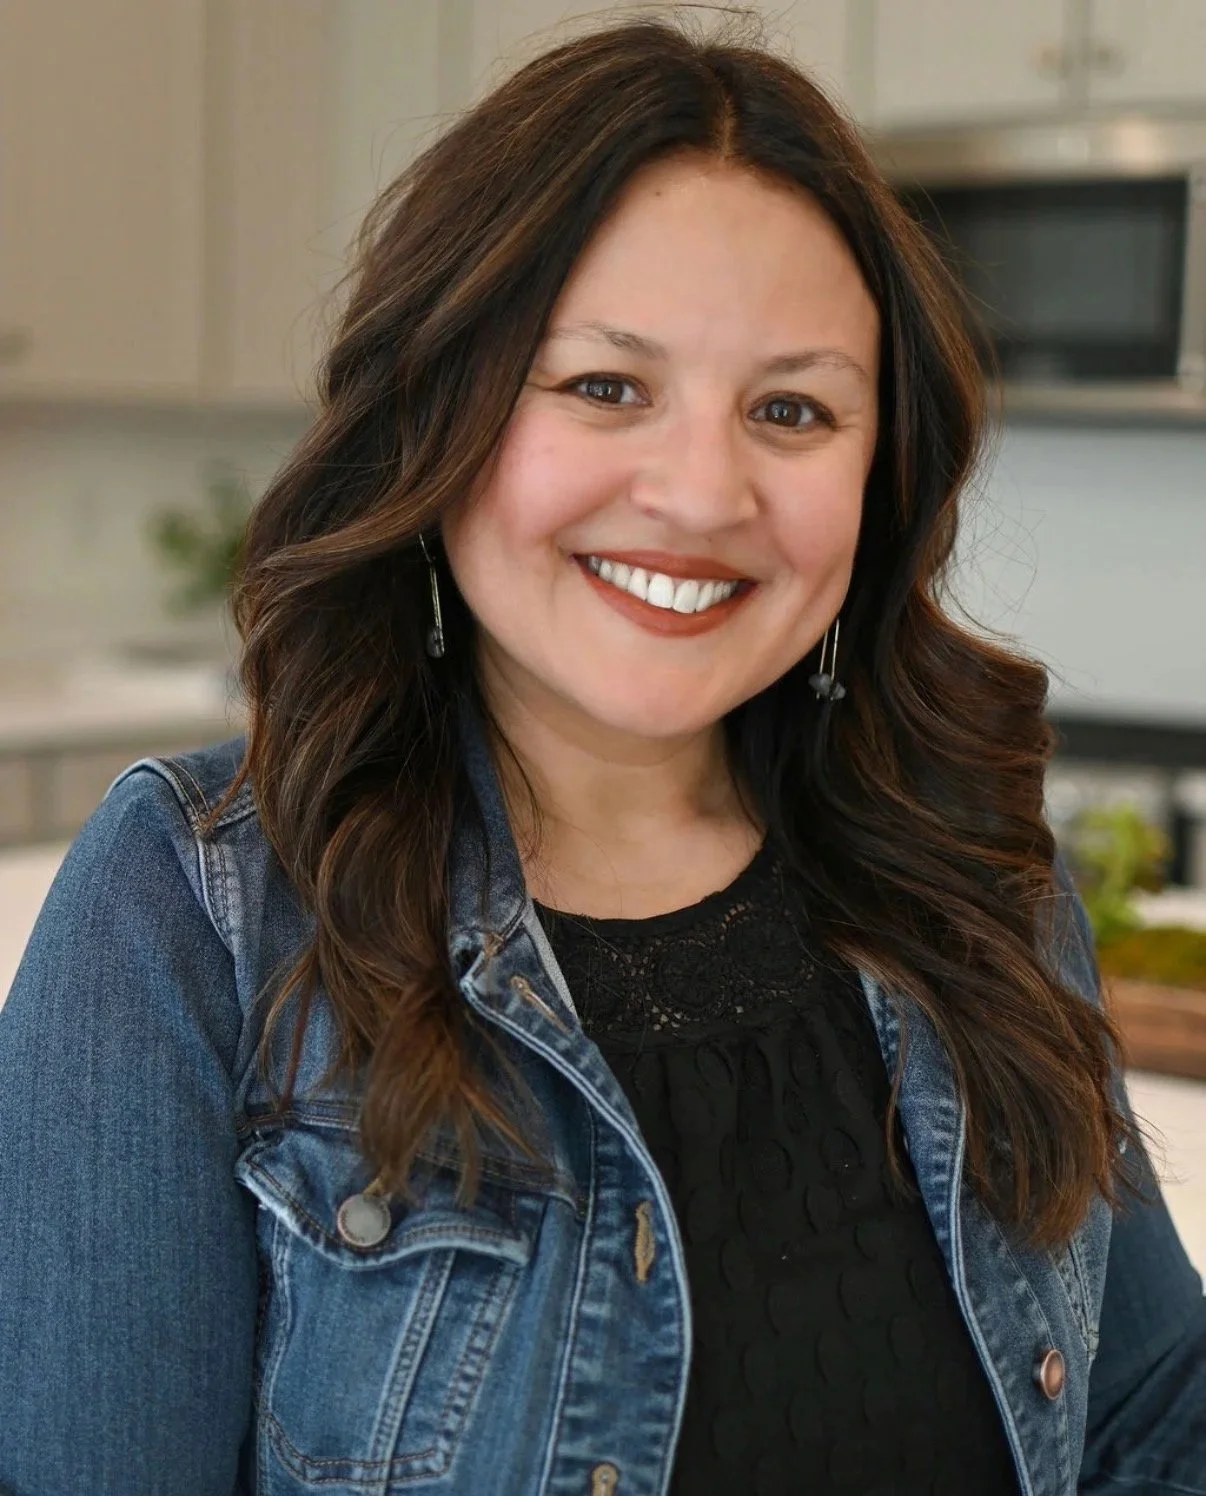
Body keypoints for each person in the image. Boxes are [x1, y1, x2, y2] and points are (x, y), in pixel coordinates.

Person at [1, 15, 1203, 1496]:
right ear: (438, 410)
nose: (701, 491)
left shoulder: (973, 878)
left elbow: (1150, 1420)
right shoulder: (195, 912)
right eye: (603, 387)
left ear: (878, 473)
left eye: (790, 409)